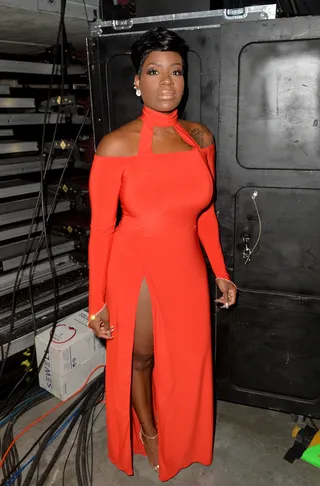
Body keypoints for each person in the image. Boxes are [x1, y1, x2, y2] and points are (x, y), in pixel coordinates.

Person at [88, 27, 237, 482]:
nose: (167, 82)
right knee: (142, 358)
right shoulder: (116, 145)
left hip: (187, 265)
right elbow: (101, 230)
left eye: (176, 71)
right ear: (137, 81)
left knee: (189, 359)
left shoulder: (199, 138)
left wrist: (220, 272)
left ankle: (182, 431)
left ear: (185, 79)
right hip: (137, 267)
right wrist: (97, 301)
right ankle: (149, 431)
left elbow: (206, 214)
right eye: (154, 72)